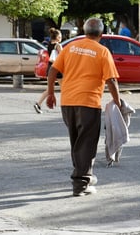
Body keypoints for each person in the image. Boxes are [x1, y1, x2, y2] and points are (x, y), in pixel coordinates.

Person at [46, 17, 121, 197]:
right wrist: (118, 102)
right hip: (88, 103)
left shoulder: (70, 47)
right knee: (87, 144)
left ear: (85, 32)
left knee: (77, 141)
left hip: (68, 102)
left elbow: (53, 70)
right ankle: (81, 183)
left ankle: (85, 175)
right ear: (101, 34)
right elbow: (111, 79)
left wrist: (50, 93)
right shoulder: (102, 51)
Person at [34, 28, 62, 114]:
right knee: (64, 88)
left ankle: (38, 104)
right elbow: (62, 56)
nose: (61, 38)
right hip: (58, 68)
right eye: (60, 36)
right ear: (57, 37)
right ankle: (66, 106)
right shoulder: (58, 45)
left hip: (50, 68)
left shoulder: (49, 44)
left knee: (50, 88)